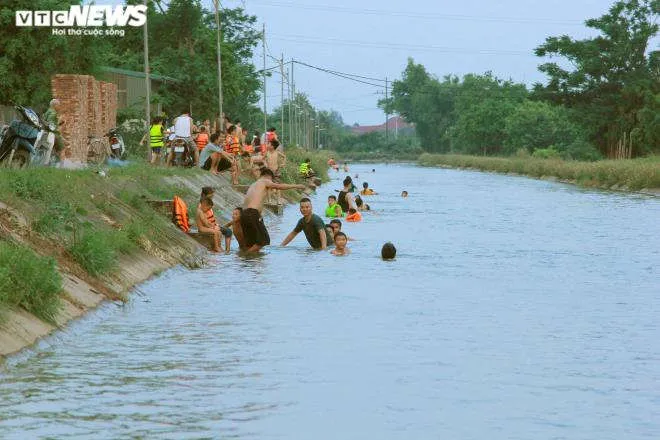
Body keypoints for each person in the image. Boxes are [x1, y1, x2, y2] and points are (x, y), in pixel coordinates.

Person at [241, 168, 306, 252]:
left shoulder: (254, 184)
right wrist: (296, 186)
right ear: (269, 176)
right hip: (252, 213)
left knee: (251, 243)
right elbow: (279, 186)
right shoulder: (265, 181)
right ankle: (247, 255)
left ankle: (247, 259)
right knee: (264, 241)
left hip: (244, 214)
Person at [265, 139, 286, 203]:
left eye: (268, 144)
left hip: (276, 171)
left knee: (278, 186)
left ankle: (278, 200)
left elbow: (284, 157)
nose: (267, 145)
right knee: (269, 186)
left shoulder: (277, 152)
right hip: (269, 172)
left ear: (272, 146)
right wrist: (265, 164)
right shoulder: (267, 153)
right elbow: (263, 159)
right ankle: (269, 200)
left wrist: (283, 163)